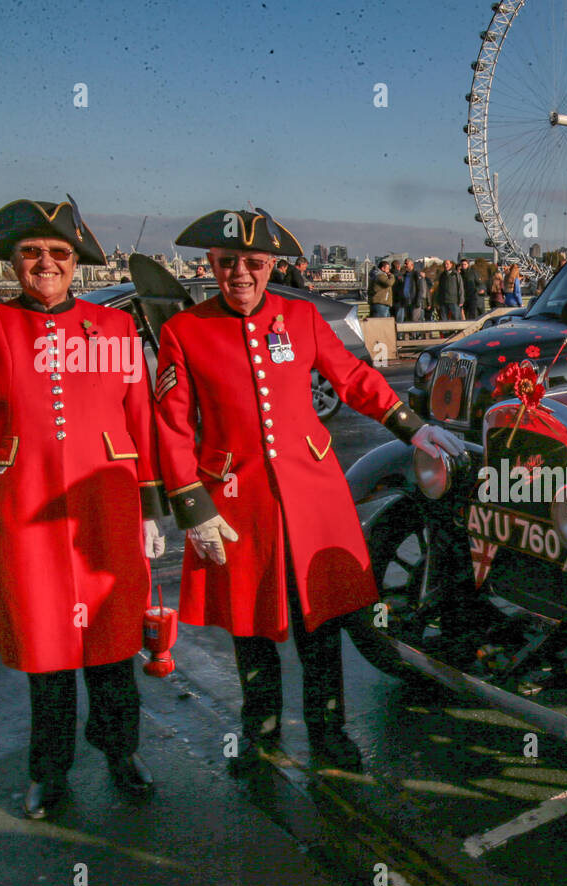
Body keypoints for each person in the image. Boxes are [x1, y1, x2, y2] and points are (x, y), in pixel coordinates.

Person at [153, 207, 463, 774]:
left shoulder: (300, 319)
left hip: (312, 497)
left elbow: (356, 380)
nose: (240, 274)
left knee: (319, 623)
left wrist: (416, 428)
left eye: (252, 262)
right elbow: (171, 428)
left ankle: (328, 734)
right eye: (227, 263)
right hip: (236, 500)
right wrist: (194, 509)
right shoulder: (184, 332)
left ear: (271, 264)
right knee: (250, 628)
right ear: (212, 265)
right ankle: (261, 735)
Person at [0, 198, 166, 820]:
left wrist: (151, 507)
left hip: (106, 506)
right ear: (15, 262)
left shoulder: (116, 329)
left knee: (114, 644)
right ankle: (50, 771)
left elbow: (139, 420)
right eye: (32, 253)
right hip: (22, 508)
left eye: (59, 254)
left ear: (77, 264)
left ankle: (122, 753)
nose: (46, 263)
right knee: (47, 652)